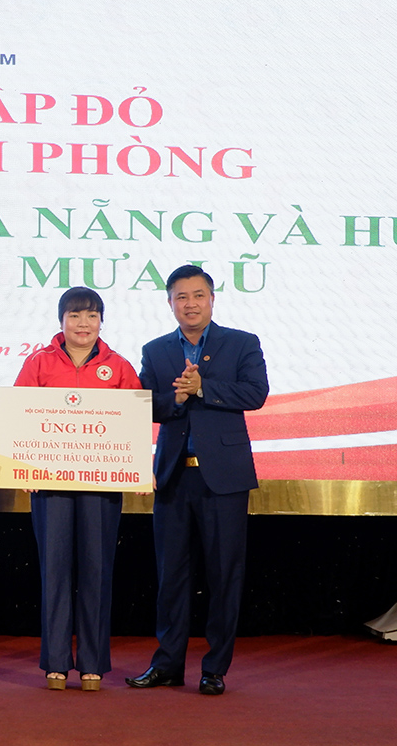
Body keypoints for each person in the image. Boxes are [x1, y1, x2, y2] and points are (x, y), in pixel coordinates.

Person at [126, 264, 268, 696]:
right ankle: (167, 664)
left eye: (198, 295)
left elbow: (256, 393)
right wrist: (176, 396)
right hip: (173, 477)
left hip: (224, 479)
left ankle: (215, 668)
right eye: (181, 297)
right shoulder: (156, 350)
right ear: (170, 303)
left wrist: (204, 387)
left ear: (212, 299)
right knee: (171, 575)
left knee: (224, 575)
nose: (190, 304)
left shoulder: (242, 343)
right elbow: (145, 405)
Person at [14, 287, 142, 692]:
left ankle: (92, 663)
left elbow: (134, 425)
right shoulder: (38, 363)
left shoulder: (119, 367)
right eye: (74, 316)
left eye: (91, 316)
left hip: (101, 486)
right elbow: (20, 418)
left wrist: (139, 466)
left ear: (102, 321)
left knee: (96, 571)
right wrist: (20, 465)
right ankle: (55, 662)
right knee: (54, 571)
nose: (83, 324)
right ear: (61, 321)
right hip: (49, 484)